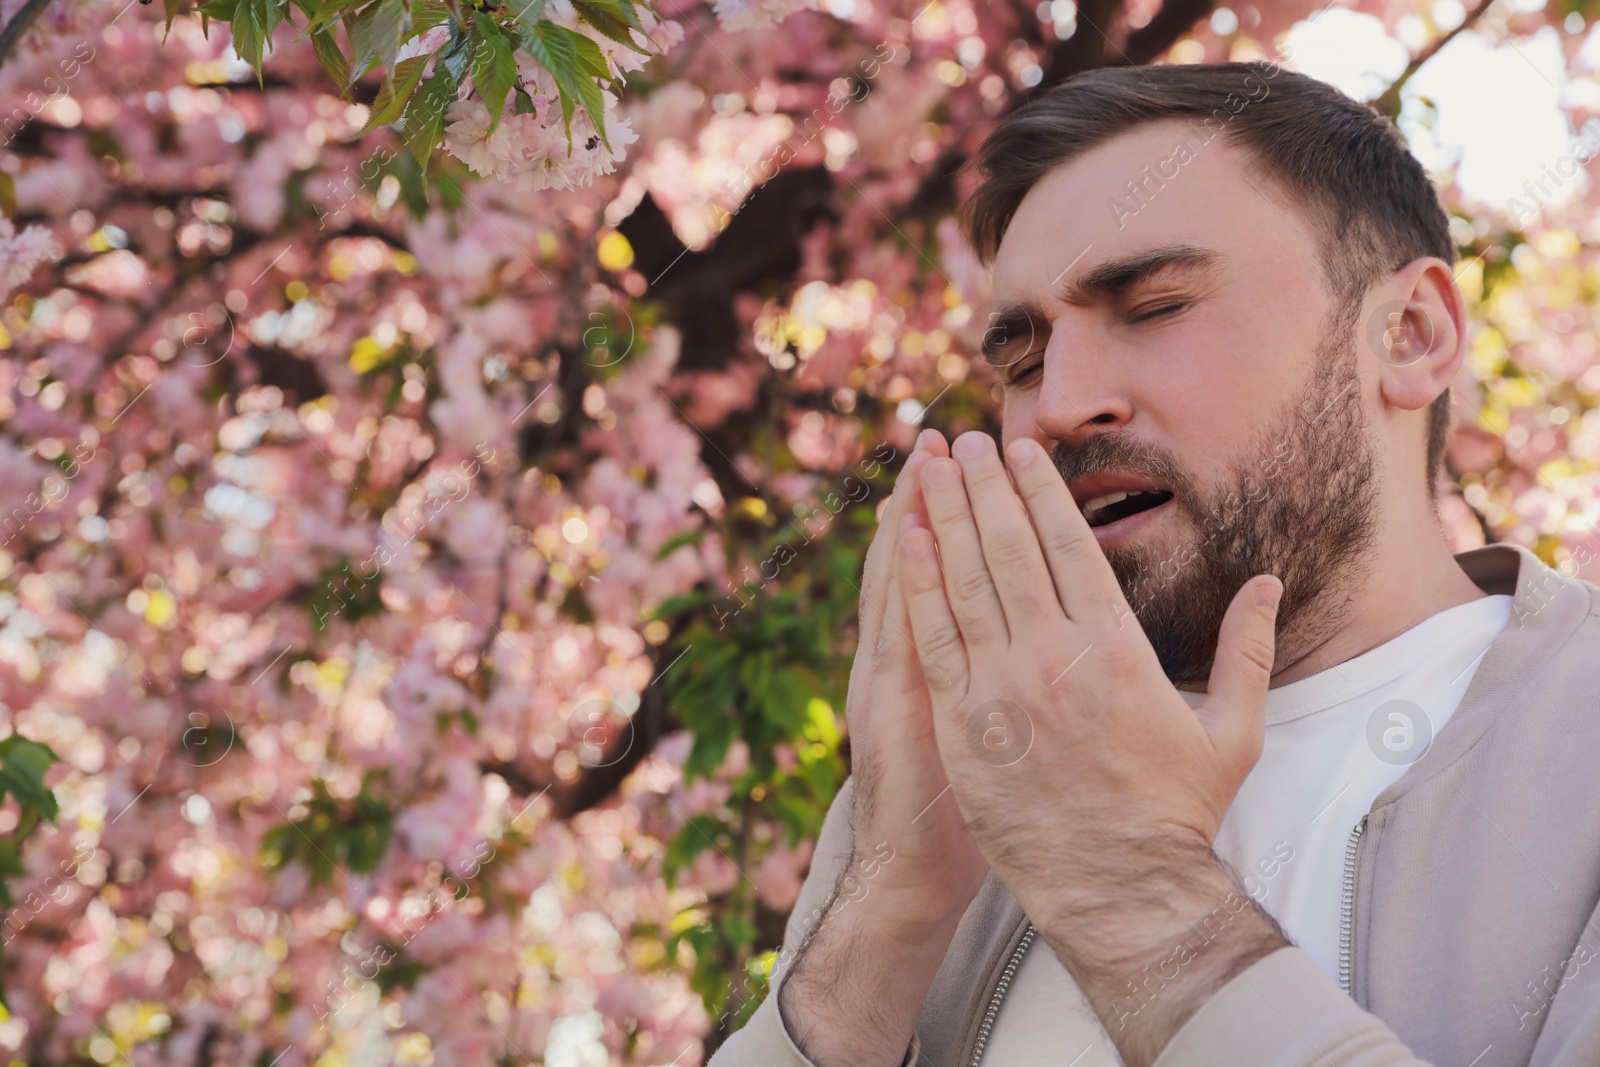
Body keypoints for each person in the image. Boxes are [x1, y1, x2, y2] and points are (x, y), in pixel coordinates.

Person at [707, 62, 1600, 1067]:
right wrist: (884, 915)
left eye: (1155, 304)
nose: (1056, 403)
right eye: (1020, 360)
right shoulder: (976, 755)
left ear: (1409, 334)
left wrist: (1139, 897)